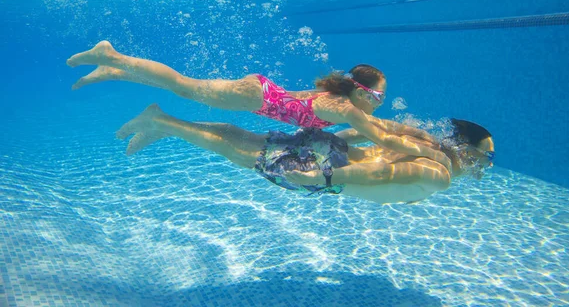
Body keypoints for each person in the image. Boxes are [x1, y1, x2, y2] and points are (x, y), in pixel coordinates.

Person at [67, 40, 451, 169]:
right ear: (365, 93)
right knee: (183, 86)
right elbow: (383, 138)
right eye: (381, 97)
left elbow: (383, 132)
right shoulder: (347, 109)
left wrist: (423, 137)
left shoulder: (338, 99)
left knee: (186, 88)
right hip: (255, 96)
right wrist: (430, 154)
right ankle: (113, 56)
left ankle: (113, 71)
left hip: (259, 93)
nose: (380, 106)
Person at [115, 104, 495, 204]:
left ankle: (163, 123)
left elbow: (377, 136)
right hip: (331, 167)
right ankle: (162, 122)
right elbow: (380, 175)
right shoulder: (440, 175)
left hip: (334, 153)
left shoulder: (428, 149)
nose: (486, 165)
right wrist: (326, 178)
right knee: (241, 152)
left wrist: (328, 134)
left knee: (247, 141)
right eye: (486, 156)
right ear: (466, 148)